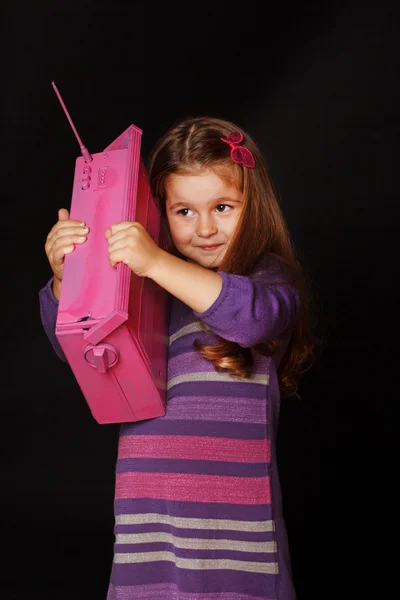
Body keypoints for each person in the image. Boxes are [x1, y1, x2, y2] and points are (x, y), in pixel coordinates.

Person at [39, 116, 316, 600]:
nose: (204, 227)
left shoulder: (269, 282)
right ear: (159, 213)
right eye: (183, 211)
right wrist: (69, 279)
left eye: (223, 207)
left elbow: (252, 319)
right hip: (150, 519)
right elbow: (79, 350)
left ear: (255, 205)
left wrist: (155, 262)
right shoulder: (149, 291)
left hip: (236, 526)